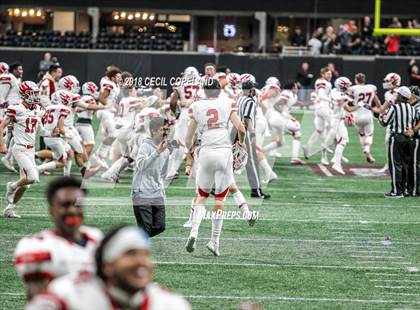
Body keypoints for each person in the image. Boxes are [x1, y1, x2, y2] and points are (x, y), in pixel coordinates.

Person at [26, 225, 191, 309]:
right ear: (107, 266)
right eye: (130, 254)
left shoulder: (169, 303)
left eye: (145, 255)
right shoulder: (69, 296)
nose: (141, 262)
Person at [14, 176, 103, 300]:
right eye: (65, 205)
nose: (72, 210)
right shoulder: (38, 246)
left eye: (78, 205)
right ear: (52, 210)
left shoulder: (97, 239)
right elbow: (38, 302)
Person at [184, 78, 246, 256]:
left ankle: (194, 232)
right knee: (219, 199)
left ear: (204, 91)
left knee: (201, 196)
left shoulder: (196, 106)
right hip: (224, 151)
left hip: (206, 150)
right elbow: (241, 129)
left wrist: (190, 151)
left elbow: (189, 137)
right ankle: (214, 241)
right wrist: (240, 145)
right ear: (219, 91)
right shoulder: (228, 103)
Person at [0, 81, 47, 218]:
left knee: (26, 185)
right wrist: (2, 145)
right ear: (24, 95)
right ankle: (12, 186)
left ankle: (9, 209)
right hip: (19, 149)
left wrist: (53, 132)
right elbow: (2, 127)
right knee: (32, 178)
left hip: (31, 150)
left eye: (36, 93)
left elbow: (41, 130)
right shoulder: (16, 108)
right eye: (32, 93)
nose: (35, 96)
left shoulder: (38, 109)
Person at [132, 117, 171, 237]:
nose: (165, 132)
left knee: (160, 226)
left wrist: (161, 190)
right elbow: (141, 165)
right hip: (142, 193)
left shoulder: (166, 150)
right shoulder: (145, 146)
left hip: (157, 193)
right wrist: (157, 152)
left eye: (167, 129)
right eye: (162, 129)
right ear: (153, 131)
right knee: (146, 228)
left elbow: (163, 173)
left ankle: (134, 239)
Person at [379, 86, 418, 198]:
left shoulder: (395, 107)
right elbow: (415, 121)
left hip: (397, 138)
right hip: (409, 139)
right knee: (405, 165)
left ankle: (397, 191)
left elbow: (385, 123)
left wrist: (381, 118)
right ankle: (404, 189)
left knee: (395, 164)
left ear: (401, 97)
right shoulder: (412, 108)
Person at [349, 73, 381, 163]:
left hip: (357, 115)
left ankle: (367, 153)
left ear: (356, 80)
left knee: (362, 134)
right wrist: (380, 108)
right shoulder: (371, 87)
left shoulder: (353, 88)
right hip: (367, 114)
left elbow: (349, 100)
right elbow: (377, 101)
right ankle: (367, 148)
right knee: (369, 134)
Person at [303, 67, 333, 165]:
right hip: (324, 108)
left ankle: (308, 146)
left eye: (330, 73)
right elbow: (321, 94)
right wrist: (331, 100)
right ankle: (325, 156)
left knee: (320, 130)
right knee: (333, 128)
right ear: (323, 74)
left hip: (319, 109)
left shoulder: (324, 82)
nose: (330, 75)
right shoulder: (322, 82)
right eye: (328, 74)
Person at [407, 86, 420, 196]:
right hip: (414, 138)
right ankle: (411, 188)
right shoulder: (412, 105)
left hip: (418, 138)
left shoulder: (418, 106)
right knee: (412, 164)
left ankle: (415, 190)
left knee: (415, 164)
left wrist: (414, 129)